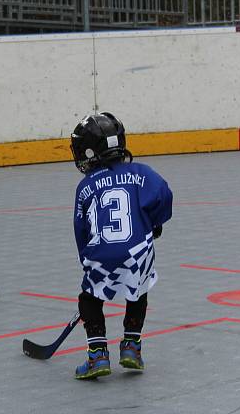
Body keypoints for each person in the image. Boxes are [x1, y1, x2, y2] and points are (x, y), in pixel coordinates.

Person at [70, 112, 173, 379]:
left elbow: (82, 230)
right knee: (138, 291)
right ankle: (131, 348)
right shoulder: (142, 173)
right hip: (137, 250)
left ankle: (97, 355)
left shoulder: (85, 186)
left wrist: (87, 262)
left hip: (102, 253)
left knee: (89, 299)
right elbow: (163, 195)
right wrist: (155, 223)